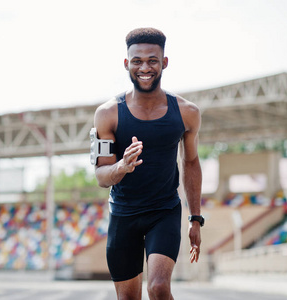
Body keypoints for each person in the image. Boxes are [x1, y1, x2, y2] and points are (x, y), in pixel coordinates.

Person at [93, 27, 203, 300]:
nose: (145, 67)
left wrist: (196, 219)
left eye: (152, 60)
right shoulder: (107, 115)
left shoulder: (187, 113)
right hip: (123, 215)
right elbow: (100, 175)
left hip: (163, 212)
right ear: (126, 64)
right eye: (137, 61)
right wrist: (121, 167)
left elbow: (190, 162)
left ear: (164, 63)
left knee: (158, 287)